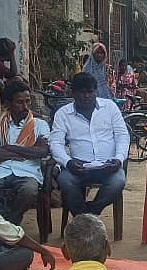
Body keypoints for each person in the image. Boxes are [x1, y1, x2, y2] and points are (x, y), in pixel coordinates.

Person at [50, 72, 128, 219]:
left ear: (95, 91)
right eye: (82, 92)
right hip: (77, 166)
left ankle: (87, 216)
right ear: (73, 93)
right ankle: (86, 219)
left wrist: (118, 159)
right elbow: (55, 143)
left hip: (108, 165)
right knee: (65, 181)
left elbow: (122, 136)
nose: (86, 96)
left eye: (90, 92)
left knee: (118, 181)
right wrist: (68, 162)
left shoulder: (110, 108)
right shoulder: (63, 114)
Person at [0, 80, 50, 224]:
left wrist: (8, 147)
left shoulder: (40, 124)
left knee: (29, 192)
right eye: (19, 102)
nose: (25, 107)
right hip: (1, 170)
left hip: (28, 171)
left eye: (27, 101)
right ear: (8, 103)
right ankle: (9, 220)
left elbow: (42, 151)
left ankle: (7, 223)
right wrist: (28, 150)